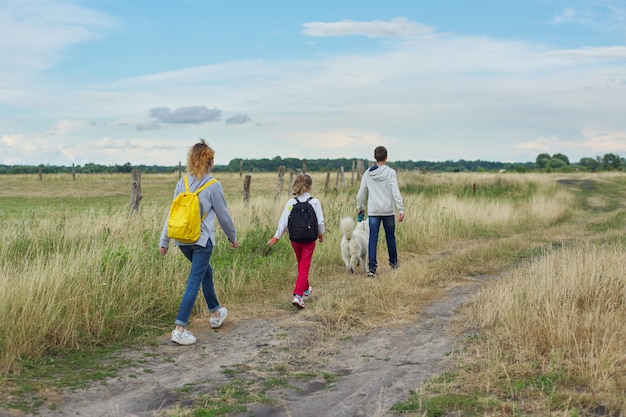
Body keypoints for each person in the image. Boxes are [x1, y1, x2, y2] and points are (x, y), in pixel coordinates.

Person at [159, 139, 238, 346]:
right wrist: (232, 236)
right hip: (202, 241)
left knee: (205, 273)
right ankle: (180, 329)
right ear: (209, 161)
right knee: (194, 280)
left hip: (182, 239)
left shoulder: (181, 183)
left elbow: (172, 214)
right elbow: (223, 216)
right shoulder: (213, 185)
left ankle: (215, 313)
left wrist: (165, 240)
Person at [267, 173, 325, 309]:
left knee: (301, 265)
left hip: (295, 239)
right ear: (310, 186)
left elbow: (283, 222)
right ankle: (298, 296)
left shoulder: (291, 203)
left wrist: (276, 237)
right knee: (304, 266)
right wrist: (320, 234)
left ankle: (305, 290)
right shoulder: (315, 202)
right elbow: (320, 222)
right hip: (310, 239)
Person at [356, 146, 405, 277]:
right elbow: (396, 192)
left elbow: (361, 193)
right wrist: (401, 208)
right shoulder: (391, 173)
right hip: (388, 210)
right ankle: (394, 264)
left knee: (373, 238)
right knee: (390, 237)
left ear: (374, 157)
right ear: (386, 157)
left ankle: (372, 268)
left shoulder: (367, 173)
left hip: (373, 211)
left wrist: (360, 208)